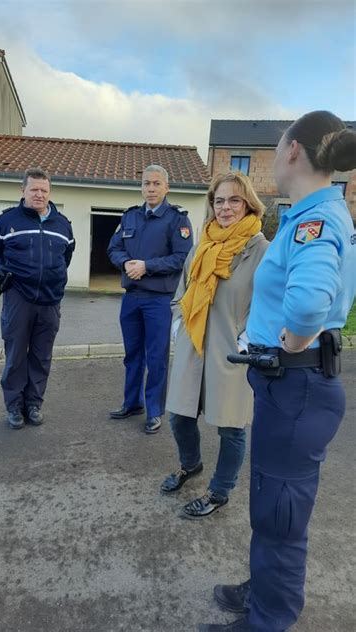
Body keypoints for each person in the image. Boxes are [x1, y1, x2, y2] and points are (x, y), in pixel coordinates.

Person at [199, 111, 356, 631]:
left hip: (295, 384)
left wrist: (284, 347)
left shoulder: (315, 220)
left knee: (281, 511)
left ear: (292, 150)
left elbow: (310, 305)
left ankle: (269, 617)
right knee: (272, 502)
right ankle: (265, 588)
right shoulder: (309, 214)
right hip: (291, 385)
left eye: (277, 143)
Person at [160, 172, 268, 517]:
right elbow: (182, 293)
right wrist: (180, 325)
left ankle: (220, 491)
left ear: (248, 204)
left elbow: (271, 303)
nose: (225, 207)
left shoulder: (261, 250)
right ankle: (191, 465)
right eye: (218, 200)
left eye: (233, 200)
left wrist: (247, 340)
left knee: (231, 426)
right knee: (179, 416)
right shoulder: (201, 246)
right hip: (194, 346)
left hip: (233, 352)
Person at [107, 165, 193, 434]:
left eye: (156, 184)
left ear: (167, 187)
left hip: (159, 300)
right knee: (133, 355)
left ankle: (155, 411)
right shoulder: (130, 217)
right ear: (141, 187)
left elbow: (182, 258)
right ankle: (132, 403)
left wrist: (146, 266)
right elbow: (114, 248)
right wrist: (127, 264)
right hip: (131, 298)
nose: (151, 189)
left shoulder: (177, 219)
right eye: (146, 183)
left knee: (156, 357)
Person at [0, 168, 75, 429]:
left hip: (50, 300)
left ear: (50, 193)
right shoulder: (5, 222)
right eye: (34, 189)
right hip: (18, 299)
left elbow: (66, 258)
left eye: (44, 190)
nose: (39, 194)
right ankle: (14, 407)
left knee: (41, 356)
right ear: (22, 190)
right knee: (15, 355)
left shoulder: (63, 225)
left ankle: (33, 404)